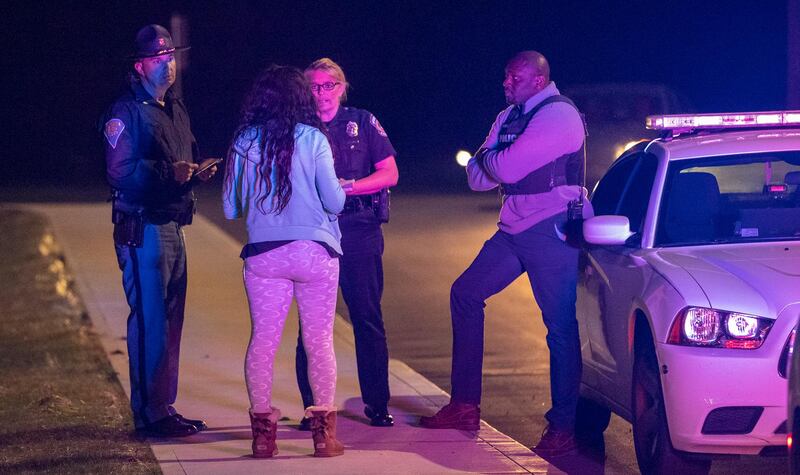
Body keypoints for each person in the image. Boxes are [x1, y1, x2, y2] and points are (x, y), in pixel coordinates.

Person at [419, 51, 590, 458]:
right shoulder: (508, 115)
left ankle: (564, 427)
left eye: (514, 78)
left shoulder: (559, 114)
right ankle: (465, 405)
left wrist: (493, 159)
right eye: (506, 77)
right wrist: (498, 161)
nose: (506, 84)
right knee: (465, 293)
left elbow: (504, 170)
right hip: (513, 227)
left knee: (560, 327)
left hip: (553, 228)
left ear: (538, 78)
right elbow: (476, 179)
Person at [223, 65, 346, 458]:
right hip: (315, 253)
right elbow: (334, 201)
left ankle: (262, 435)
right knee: (319, 341)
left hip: (265, 257)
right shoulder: (314, 139)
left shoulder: (244, 140)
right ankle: (324, 436)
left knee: (263, 342)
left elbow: (230, 207)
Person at [102, 24, 218, 438]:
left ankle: (163, 408)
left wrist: (195, 172)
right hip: (143, 226)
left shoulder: (174, 108)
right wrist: (172, 172)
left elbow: (183, 158)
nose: (169, 63)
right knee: (150, 320)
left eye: (171, 55)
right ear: (139, 65)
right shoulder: (125, 112)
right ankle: (148, 415)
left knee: (170, 321)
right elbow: (121, 173)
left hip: (172, 223)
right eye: (160, 57)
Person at [295, 58, 399, 429]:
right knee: (311, 326)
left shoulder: (363, 121)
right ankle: (313, 409)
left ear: (342, 87)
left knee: (367, 319)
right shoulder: (296, 127)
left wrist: (349, 187)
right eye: (313, 86)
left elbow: (390, 172)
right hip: (313, 233)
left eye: (328, 85)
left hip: (358, 229)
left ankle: (377, 404)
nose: (320, 94)